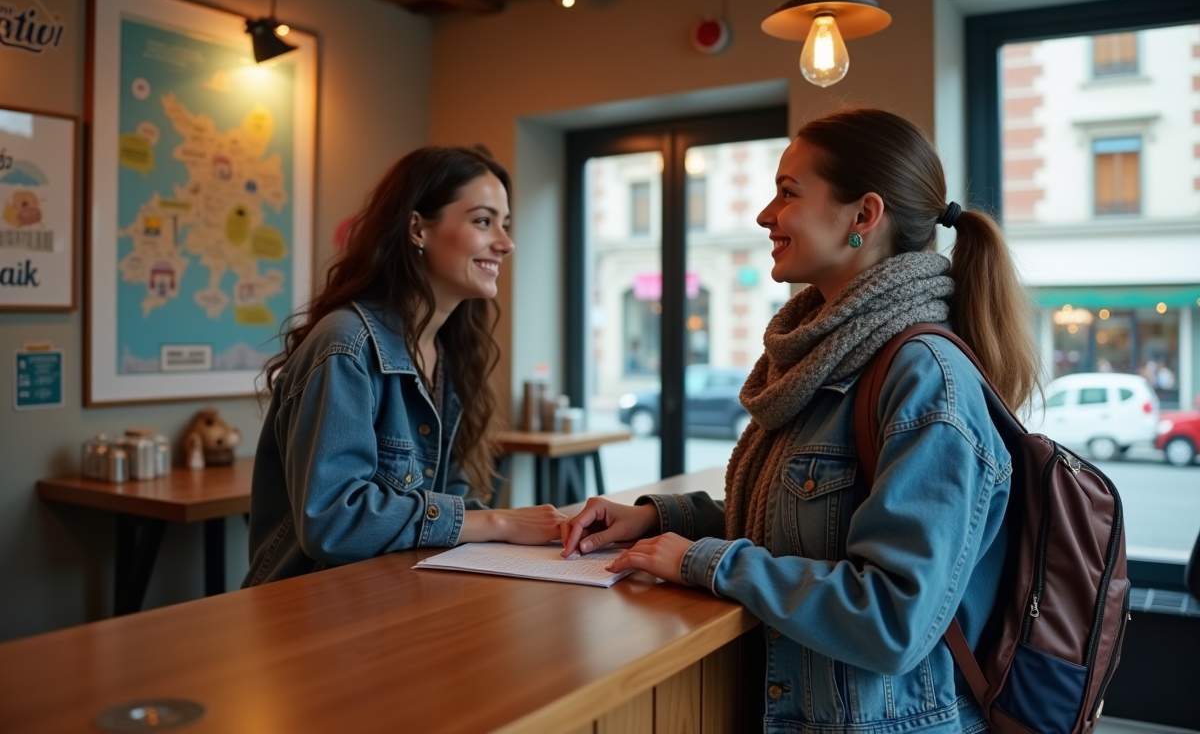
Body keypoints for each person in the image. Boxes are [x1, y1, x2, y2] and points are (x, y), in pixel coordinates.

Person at [561, 109, 1041, 733]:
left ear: (863, 216)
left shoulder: (925, 378)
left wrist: (701, 560)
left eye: (788, 193)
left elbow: (894, 619)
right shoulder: (831, 355)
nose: (765, 215)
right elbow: (796, 521)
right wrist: (658, 517)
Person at [245, 146, 563, 587]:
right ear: (418, 228)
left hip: (390, 593)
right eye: (483, 221)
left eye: (505, 225)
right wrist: (500, 523)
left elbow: (444, 499)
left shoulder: (444, 352)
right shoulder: (346, 346)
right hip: (308, 609)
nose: (506, 244)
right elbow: (333, 520)